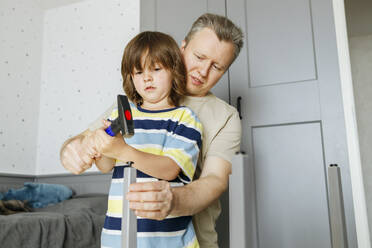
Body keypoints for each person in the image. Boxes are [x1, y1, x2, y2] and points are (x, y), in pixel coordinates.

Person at [60, 13, 243, 248]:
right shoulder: (134, 102)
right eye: (199, 57)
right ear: (181, 48)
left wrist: (172, 200)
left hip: (183, 240)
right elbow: (91, 142)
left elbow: (215, 181)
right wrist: (72, 149)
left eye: (217, 67)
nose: (203, 71)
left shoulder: (224, 116)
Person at [87, 31, 203, 247]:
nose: (147, 78)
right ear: (130, 77)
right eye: (138, 72)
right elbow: (105, 166)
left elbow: (170, 169)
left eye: (156, 69)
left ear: (174, 71)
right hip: (118, 235)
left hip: (166, 238)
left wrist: (123, 150)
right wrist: (100, 148)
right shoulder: (122, 115)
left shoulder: (184, 119)